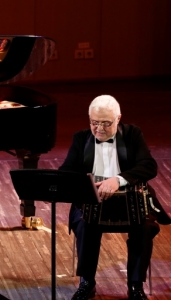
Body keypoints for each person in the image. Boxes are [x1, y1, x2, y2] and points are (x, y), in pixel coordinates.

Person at [58, 95, 171, 300]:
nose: (99, 129)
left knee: (144, 227)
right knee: (84, 224)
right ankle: (87, 283)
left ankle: (135, 286)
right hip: (92, 202)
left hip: (131, 202)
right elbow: (67, 171)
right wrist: (59, 187)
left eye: (106, 123)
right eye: (94, 122)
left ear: (118, 118)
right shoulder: (81, 138)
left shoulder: (132, 134)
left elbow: (148, 166)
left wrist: (118, 180)